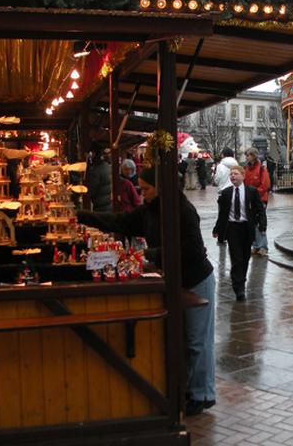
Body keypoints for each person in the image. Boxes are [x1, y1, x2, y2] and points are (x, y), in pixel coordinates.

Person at [76, 168, 216, 416]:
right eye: (140, 189)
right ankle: (187, 389)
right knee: (181, 340)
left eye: (146, 189)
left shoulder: (184, 211)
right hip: (172, 279)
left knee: (197, 342)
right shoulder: (149, 211)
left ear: (161, 188)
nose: (142, 194)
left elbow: (193, 249)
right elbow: (119, 221)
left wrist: (151, 255)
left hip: (196, 279)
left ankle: (202, 394)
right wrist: (82, 216)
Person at [212, 166, 267, 301]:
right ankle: (239, 287)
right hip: (232, 228)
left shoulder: (251, 192)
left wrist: (262, 224)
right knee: (236, 258)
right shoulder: (226, 193)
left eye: (235, 174)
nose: (233, 176)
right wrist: (217, 229)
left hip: (246, 228)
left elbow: (260, 209)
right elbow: (222, 214)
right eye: (231, 174)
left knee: (245, 257)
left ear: (243, 176)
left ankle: (241, 278)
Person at [243, 148, 271, 256]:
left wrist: (253, 195)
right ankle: (256, 245)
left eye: (248, 155)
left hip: (260, 199)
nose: (246, 157)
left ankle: (263, 246)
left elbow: (265, 185)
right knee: (252, 223)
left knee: (260, 222)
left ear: (254, 156)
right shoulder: (246, 168)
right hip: (250, 199)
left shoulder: (262, 169)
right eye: (246, 155)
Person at [87, 146, 112, 212]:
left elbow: (92, 189)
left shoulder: (96, 170)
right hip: (107, 202)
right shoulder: (106, 165)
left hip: (100, 204)